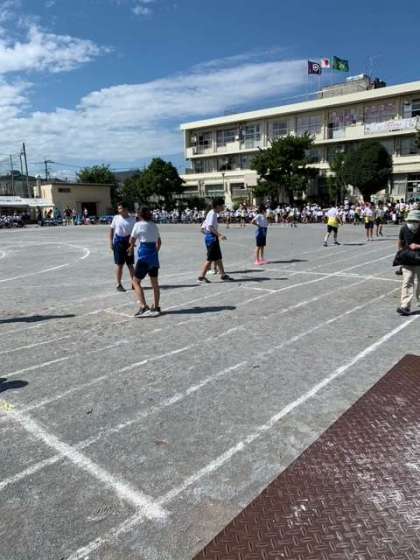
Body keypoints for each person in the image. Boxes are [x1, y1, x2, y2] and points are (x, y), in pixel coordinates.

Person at [128, 207, 162, 317]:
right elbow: (159, 242)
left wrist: (131, 246)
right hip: (154, 257)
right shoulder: (154, 225)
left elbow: (131, 239)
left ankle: (143, 306)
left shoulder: (138, 225)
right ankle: (156, 306)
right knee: (155, 283)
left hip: (144, 256)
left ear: (139, 215)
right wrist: (154, 252)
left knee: (135, 281)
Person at [198, 199, 233, 283]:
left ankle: (223, 274)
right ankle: (201, 276)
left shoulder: (212, 213)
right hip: (212, 238)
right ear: (217, 206)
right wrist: (219, 235)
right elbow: (210, 227)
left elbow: (205, 227)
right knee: (210, 258)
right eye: (222, 205)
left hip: (212, 237)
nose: (223, 207)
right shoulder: (212, 214)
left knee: (218, 257)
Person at [396, 210, 420, 316]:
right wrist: (401, 254)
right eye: (411, 221)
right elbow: (400, 242)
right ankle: (405, 306)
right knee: (407, 281)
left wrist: (418, 246)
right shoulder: (404, 228)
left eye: (415, 221)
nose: (413, 223)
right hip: (407, 258)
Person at [110, 202, 136, 292]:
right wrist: (111, 242)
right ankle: (118, 284)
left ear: (126, 209)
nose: (119, 210)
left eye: (120, 208)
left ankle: (134, 283)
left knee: (130, 264)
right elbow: (111, 230)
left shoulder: (132, 219)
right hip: (118, 243)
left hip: (128, 243)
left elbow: (135, 234)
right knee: (119, 265)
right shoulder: (116, 218)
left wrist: (132, 245)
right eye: (118, 208)